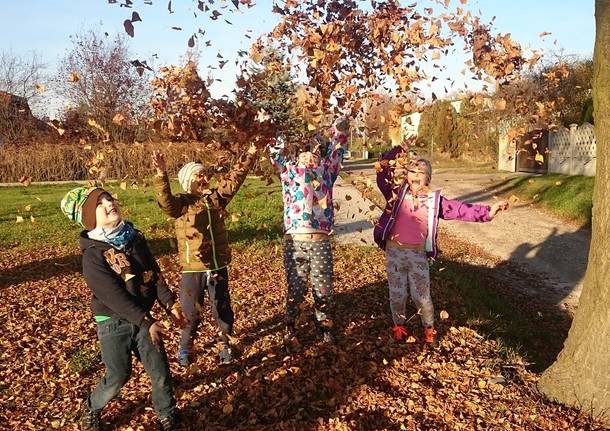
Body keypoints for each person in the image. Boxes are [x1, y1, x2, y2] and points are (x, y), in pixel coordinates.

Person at [60, 186, 185, 431]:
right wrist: (146, 321)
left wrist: (171, 304)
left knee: (160, 370)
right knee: (118, 375)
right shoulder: (93, 255)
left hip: (144, 318)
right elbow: (113, 297)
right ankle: (91, 406)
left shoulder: (134, 239)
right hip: (113, 322)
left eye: (109, 198)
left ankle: (167, 415)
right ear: (89, 217)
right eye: (100, 203)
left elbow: (153, 274)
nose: (109, 203)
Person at [374, 146, 509, 345]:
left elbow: (460, 210)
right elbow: (381, 171)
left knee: (422, 297)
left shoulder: (434, 201)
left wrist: (488, 212)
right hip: (395, 252)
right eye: (412, 171)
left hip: (417, 255)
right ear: (406, 175)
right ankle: (399, 328)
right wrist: (400, 148)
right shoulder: (395, 194)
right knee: (397, 295)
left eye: (422, 173)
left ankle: (429, 330)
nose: (416, 175)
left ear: (428, 179)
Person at [152, 143, 258, 366]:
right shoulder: (181, 204)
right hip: (193, 269)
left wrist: (250, 153)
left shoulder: (214, 200)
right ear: (188, 181)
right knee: (190, 313)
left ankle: (226, 344)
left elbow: (234, 180)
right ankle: (185, 348)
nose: (204, 179)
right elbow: (166, 203)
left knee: (222, 308)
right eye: (198, 175)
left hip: (217, 266)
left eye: (205, 175)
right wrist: (161, 175)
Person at [269, 117, 349, 346]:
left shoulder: (326, 172)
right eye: (305, 154)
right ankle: (290, 326)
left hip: (320, 241)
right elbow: (276, 153)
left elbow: (338, 150)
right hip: (295, 241)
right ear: (297, 156)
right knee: (296, 288)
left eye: (314, 154)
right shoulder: (288, 173)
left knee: (323, 288)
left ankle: (324, 327)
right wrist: (273, 128)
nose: (310, 157)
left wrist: (340, 127)